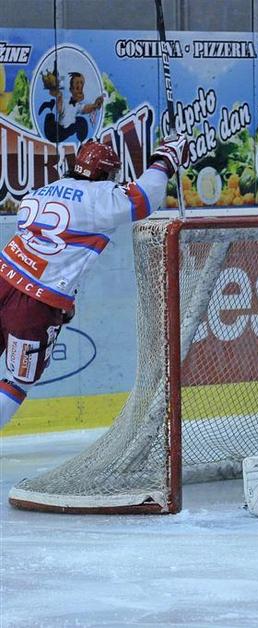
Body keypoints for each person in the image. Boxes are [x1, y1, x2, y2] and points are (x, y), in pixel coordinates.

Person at [0, 136, 189, 429]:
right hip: (34, 302)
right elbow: (145, 197)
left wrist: (66, 297)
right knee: (18, 380)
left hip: (3, 276)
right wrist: (165, 159)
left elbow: (49, 247)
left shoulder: (39, 193)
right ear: (103, 174)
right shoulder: (100, 196)